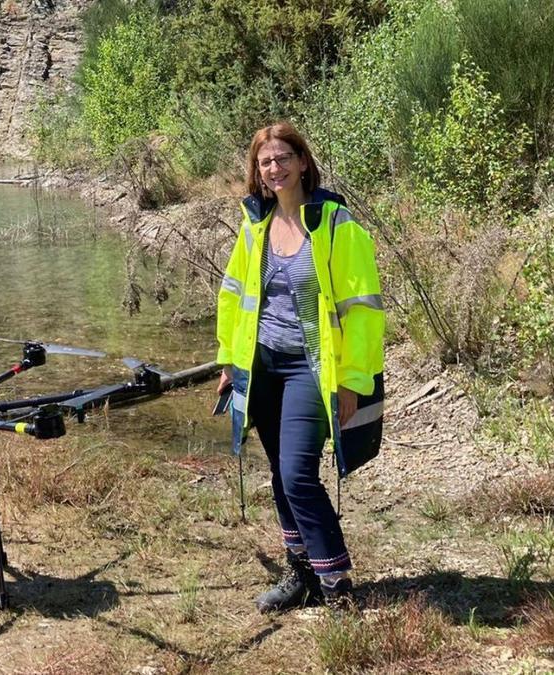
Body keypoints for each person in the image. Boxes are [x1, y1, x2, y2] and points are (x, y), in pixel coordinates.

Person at [215, 121, 385, 612]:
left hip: (313, 368)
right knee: (278, 472)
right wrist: (229, 359)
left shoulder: (336, 224)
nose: (274, 168)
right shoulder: (256, 225)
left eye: (283, 158)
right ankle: (302, 575)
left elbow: (364, 310)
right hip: (263, 364)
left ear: (303, 162)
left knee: (297, 474)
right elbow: (233, 297)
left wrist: (354, 380)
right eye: (265, 162)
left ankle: (336, 583)